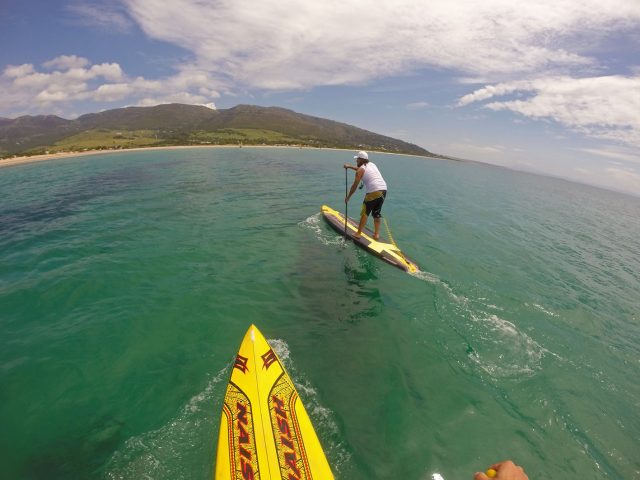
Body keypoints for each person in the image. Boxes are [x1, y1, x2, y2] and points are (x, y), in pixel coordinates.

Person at [343, 151, 387, 240]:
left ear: (361, 159)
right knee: (376, 213)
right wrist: (350, 166)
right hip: (383, 190)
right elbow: (362, 169)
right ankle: (376, 235)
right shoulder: (372, 164)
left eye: (357, 159)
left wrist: (348, 197)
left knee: (365, 212)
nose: (356, 161)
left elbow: (354, 186)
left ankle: (358, 234)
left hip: (373, 192)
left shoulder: (360, 169)